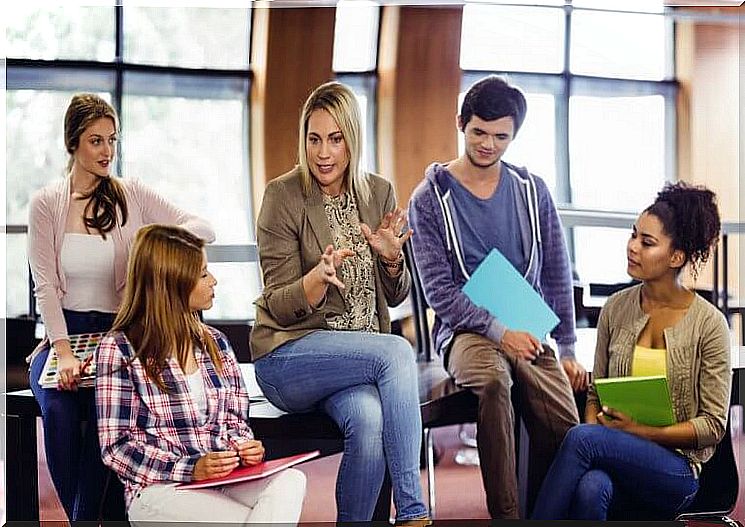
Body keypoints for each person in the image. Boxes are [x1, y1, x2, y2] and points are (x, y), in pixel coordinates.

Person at [26, 93, 215, 521]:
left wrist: (155, 244)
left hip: (117, 338)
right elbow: (46, 287)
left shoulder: (130, 194)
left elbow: (203, 227)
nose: (107, 151)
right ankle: (84, 518)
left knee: (102, 418)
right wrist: (64, 352)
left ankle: (85, 518)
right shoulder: (46, 204)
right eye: (96, 141)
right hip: (63, 336)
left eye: (112, 140)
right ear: (73, 143)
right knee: (56, 410)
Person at [250, 81, 429, 525]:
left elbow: (395, 294)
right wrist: (313, 282)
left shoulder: (378, 192)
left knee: (368, 424)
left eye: (335, 139)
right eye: (314, 139)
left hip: (360, 363)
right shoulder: (283, 195)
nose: (323, 153)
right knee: (397, 351)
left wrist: (391, 260)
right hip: (291, 355)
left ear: (353, 139)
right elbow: (276, 300)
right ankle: (412, 511)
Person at [407, 75, 582, 519]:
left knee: (565, 424)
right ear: (461, 124)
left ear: (513, 136)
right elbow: (439, 293)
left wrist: (567, 347)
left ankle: (551, 510)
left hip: (527, 324)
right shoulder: (430, 198)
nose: (488, 144)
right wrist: (499, 332)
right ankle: (506, 514)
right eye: (479, 132)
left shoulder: (531, 191)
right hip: (466, 330)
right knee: (492, 382)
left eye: (501, 136)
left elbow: (558, 272)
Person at [532, 182, 731, 520]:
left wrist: (634, 431)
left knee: (583, 440)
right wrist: (601, 431)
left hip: (677, 470)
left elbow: (712, 425)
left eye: (647, 242)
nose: (632, 247)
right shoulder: (616, 308)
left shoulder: (709, 324)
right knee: (591, 486)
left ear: (676, 257)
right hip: (615, 456)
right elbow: (595, 394)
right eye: (633, 235)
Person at [96, 224, 307, 524]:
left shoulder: (216, 343)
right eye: (203, 273)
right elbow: (117, 448)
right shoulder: (118, 349)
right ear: (172, 282)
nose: (214, 281)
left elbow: (235, 421)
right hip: (159, 490)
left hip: (222, 480)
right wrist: (190, 468)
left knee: (291, 481)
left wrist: (243, 448)